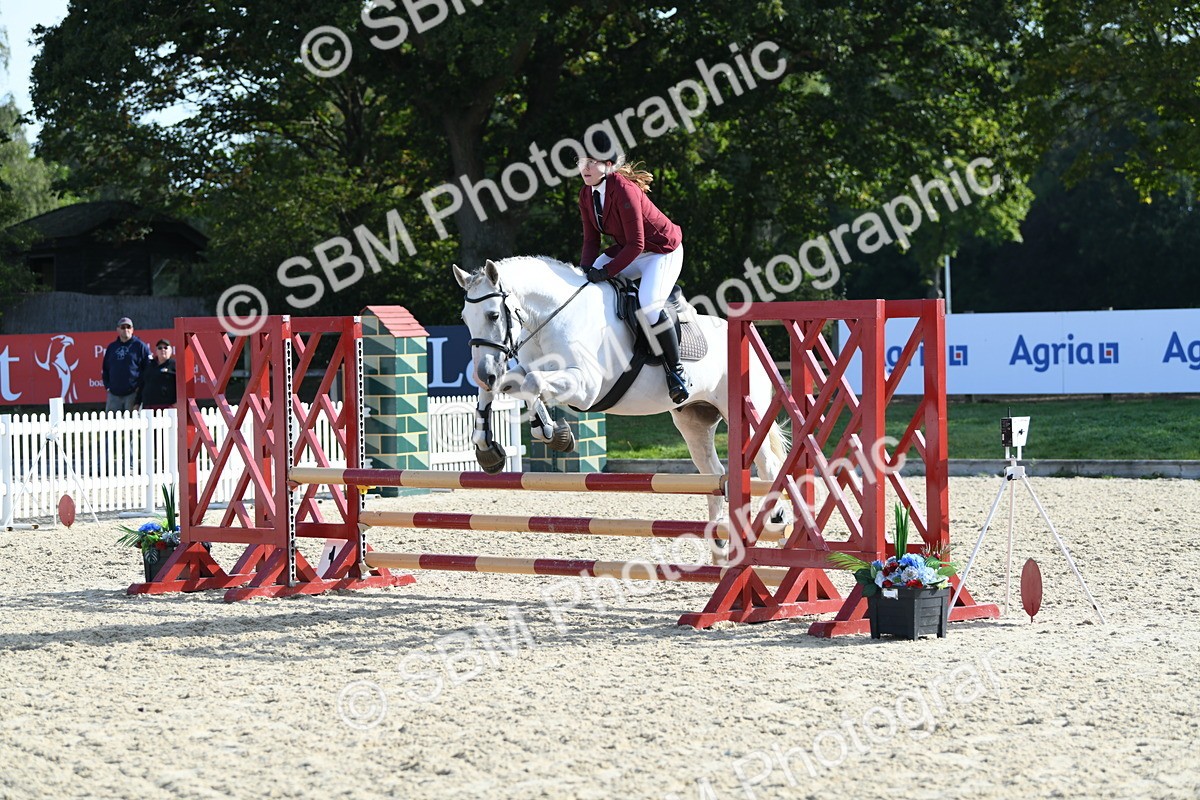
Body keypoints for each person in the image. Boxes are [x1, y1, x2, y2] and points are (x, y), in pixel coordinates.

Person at [577, 131, 689, 404]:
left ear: (608, 164)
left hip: (662, 250)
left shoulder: (624, 190)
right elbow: (591, 241)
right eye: (582, 161)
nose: (585, 167)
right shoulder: (586, 195)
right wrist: (584, 272)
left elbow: (638, 243)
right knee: (585, 286)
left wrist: (606, 272)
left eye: (592, 161)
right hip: (631, 250)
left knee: (649, 303)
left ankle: (676, 372)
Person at [101, 317, 151, 412]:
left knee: (133, 425)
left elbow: (148, 369)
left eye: (128, 327)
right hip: (114, 395)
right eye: (123, 327)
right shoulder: (112, 347)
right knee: (112, 425)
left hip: (133, 394)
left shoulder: (140, 346)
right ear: (118, 330)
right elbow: (105, 368)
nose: (126, 330)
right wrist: (107, 386)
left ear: (132, 329)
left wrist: (139, 389)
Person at [140, 339, 177, 410]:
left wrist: (178, 402)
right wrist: (137, 403)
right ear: (156, 351)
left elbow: (181, 386)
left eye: (165, 348)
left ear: (171, 350)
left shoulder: (175, 365)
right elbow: (142, 384)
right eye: (160, 348)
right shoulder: (149, 365)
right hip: (148, 406)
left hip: (168, 406)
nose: (163, 350)